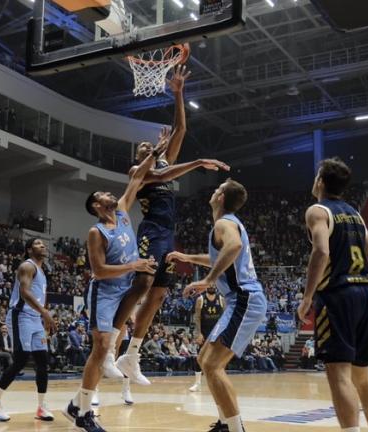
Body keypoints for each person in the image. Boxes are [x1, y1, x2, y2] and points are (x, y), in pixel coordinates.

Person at [115, 60, 231, 386]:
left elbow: (181, 130)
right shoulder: (138, 172)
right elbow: (163, 173)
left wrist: (178, 94)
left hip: (168, 233)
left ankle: (132, 353)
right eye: (142, 148)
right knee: (142, 286)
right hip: (151, 229)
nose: (146, 147)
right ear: (139, 156)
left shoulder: (163, 159)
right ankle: (111, 344)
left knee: (159, 294)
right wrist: (174, 158)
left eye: (149, 145)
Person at [63, 140, 162, 432]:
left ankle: (76, 406)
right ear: (96, 205)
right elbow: (99, 271)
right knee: (102, 348)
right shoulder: (96, 232)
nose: (111, 194)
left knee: (110, 347)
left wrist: (155, 153)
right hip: (104, 292)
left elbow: (136, 178)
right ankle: (83, 412)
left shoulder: (121, 212)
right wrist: (135, 265)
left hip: (126, 289)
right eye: (105, 194)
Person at [168, 179, 268, 432]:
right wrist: (188, 257)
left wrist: (209, 280)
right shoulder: (227, 224)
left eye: (217, 189)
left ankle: (235, 428)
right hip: (241, 299)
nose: (213, 191)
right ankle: (226, 423)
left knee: (212, 365)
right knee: (205, 360)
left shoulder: (225, 223)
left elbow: (233, 247)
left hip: (244, 297)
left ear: (221, 197)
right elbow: (218, 256)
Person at [296, 157, 368, 432]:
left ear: (320, 181)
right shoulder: (354, 213)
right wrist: (365, 291)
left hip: (336, 296)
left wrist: (308, 296)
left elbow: (321, 251)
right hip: (364, 294)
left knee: (338, 374)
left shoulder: (317, 211)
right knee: (362, 376)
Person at [0, 238, 55, 423]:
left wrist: (42, 317)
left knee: (42, 361)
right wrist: (45, 312)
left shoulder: (43, 271)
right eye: (38, 244)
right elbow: (24, 292)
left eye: (43, 244)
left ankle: (41, 406)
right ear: (29, 250)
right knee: (21, 359)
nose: (43, 245)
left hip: (35, 318)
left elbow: (38, 296)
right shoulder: (27, 266)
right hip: (20, 316)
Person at [190, 285, 224, 392]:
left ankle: (218, 382)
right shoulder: (201, 299)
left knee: (218, 359)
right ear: (206, 287)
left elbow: (225, 317)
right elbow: (197, 317)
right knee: (200, 357)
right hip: (204, 333)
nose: (212, 286)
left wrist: (223, 332)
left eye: (214, 285)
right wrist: (198, 333)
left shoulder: (221, 299)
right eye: (210, 285)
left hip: (217, 333)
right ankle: (197, 383)